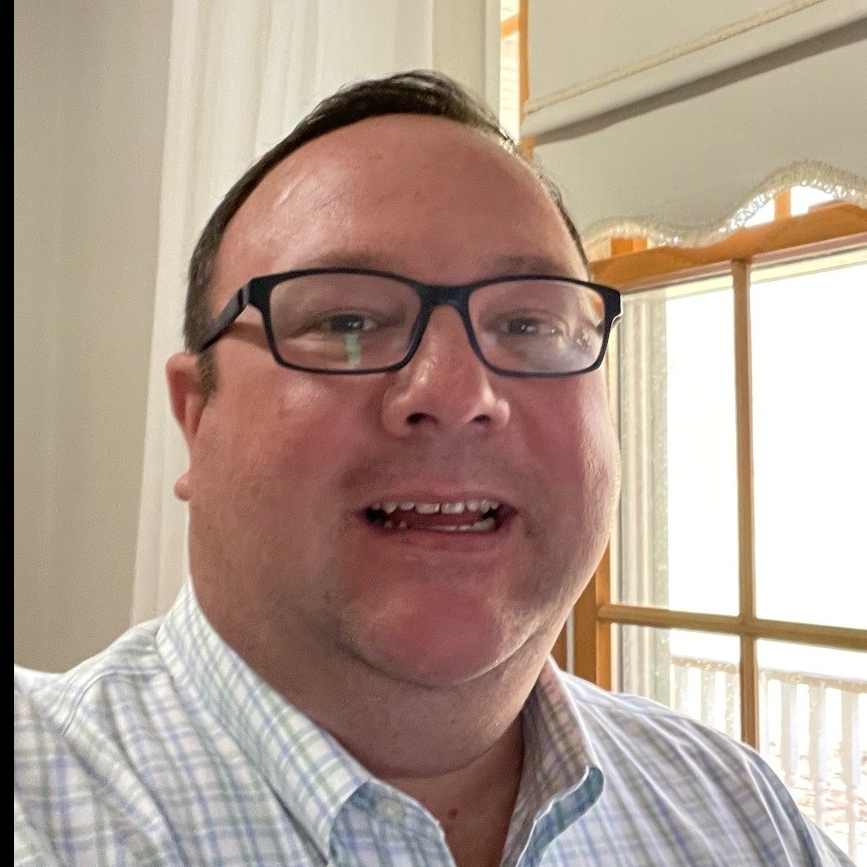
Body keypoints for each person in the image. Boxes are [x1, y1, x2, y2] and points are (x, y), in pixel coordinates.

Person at [14, 69, 854, 867]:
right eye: (346, 321)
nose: (457, 394)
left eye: (528, 325)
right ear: (196, 415)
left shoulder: (738, 813)